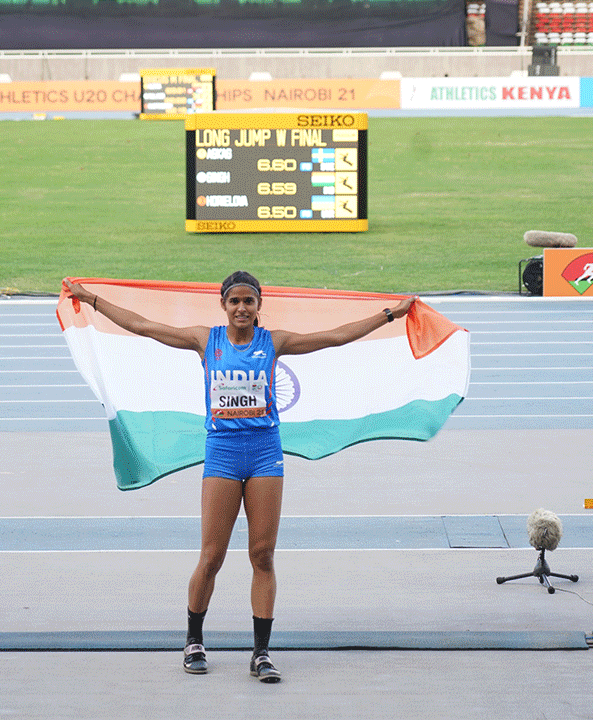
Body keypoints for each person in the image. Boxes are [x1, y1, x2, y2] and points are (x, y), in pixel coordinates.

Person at [63, 272, 415, 683]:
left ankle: (261, 653)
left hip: (265, 453)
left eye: (250, 302)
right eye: (235, 302)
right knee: (211, 557)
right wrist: (90, 299)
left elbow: (335, 337)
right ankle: (194, 640)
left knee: (262, 556)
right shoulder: (204, 341)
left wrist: (390, 314)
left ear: (259, 306)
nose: (242, 308)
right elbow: (142, 326)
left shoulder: (275, 343)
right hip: (224, 456)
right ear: (223, 305)